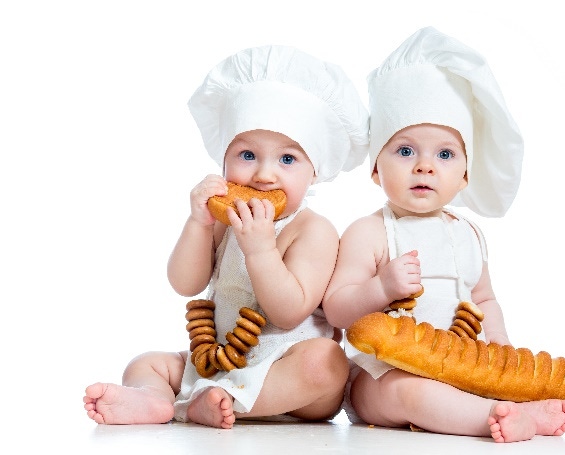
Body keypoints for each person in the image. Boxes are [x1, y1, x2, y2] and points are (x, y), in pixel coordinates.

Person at [83, 45, 369, 429]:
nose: (264, 175)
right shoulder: (224, 220)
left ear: (313, 171)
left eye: (287, 160)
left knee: (327, 364)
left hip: (286, 367)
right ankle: (155, 399)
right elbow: (185, 284)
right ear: (223, 159)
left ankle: (211, 403)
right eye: (247, 155)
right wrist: (198, 224)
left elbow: (289, 312)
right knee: (145, 362)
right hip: (219, 359)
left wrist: (261, 248)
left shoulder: (314, 229)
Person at [322, 27, 565, 443]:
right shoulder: (369, 232)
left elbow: (484, 299)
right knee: (413, 392)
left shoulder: (469, 236)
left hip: (459, 364)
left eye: (444, 154)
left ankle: (510, 403)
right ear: (375, 169)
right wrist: (380, 286)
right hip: (380, 377)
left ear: (464, 175)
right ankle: (493, 417)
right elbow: (336, 310)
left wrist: (499, 345)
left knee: (476, 380)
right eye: (405, 151)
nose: (425, 166)